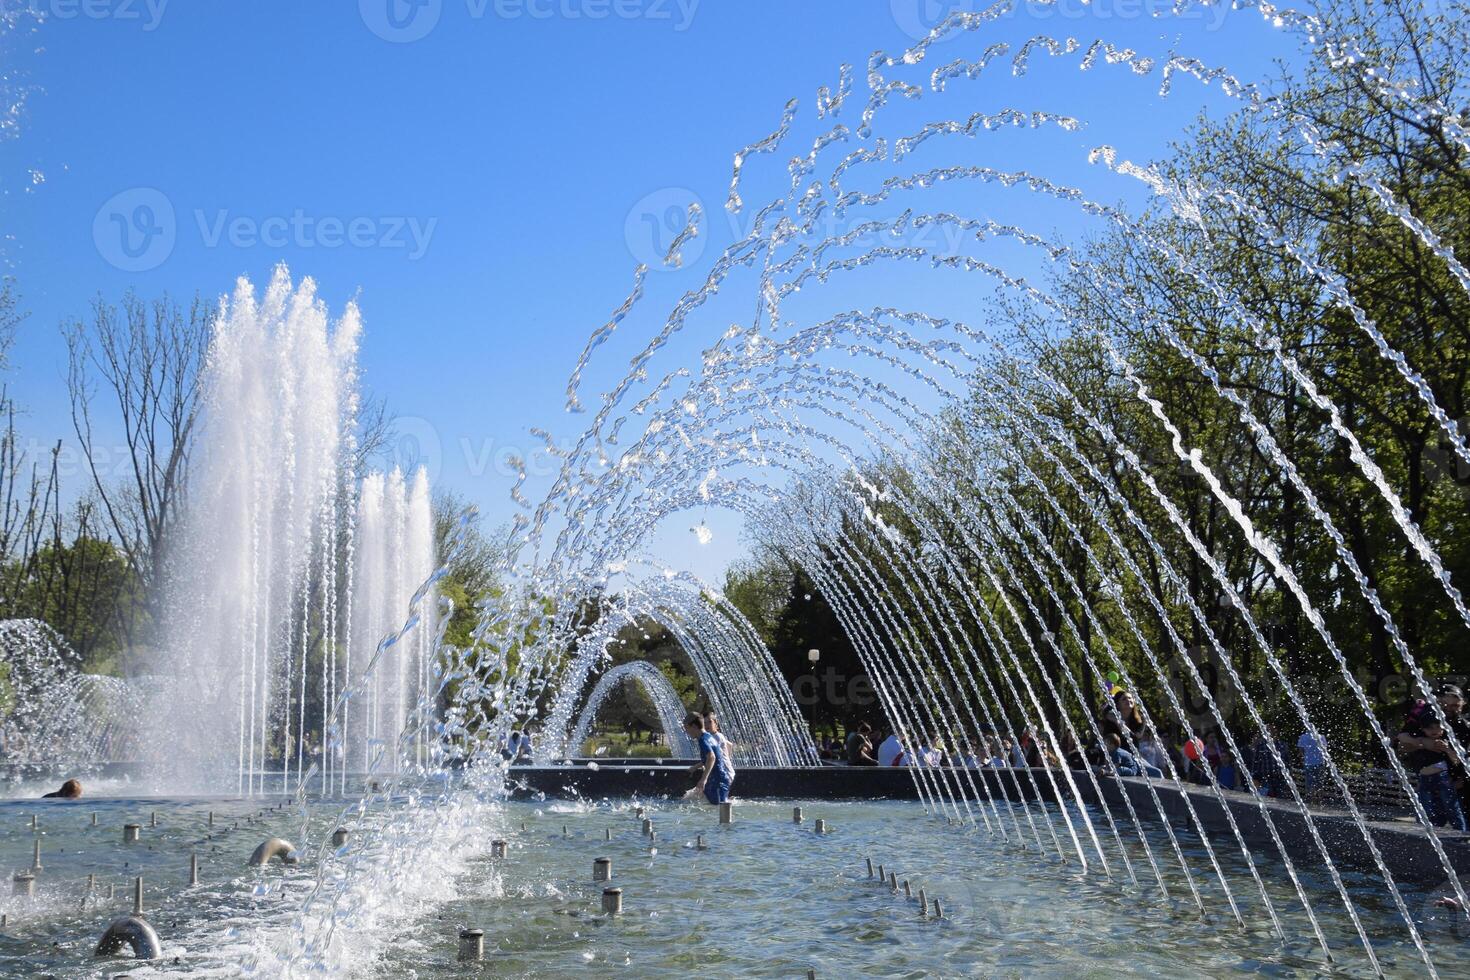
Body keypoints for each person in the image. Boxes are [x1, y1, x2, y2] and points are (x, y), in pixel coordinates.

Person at [1398, 685, 1468, 832]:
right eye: (1445, 705)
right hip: (1429, 786)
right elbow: (1401, 745)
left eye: (1455, 705)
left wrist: (1461, 781)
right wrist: (1423, 743)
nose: (1449, 708)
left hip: (1460, 788)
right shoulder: (1426, 722)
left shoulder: (1464, 726)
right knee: (1428, 833)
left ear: (1463, 703)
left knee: (1463, 832)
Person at [684, 711, 735, 804]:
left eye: (686, 729)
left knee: (719, 808)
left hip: (718, 780)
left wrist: (703, 780)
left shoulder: (703, 740)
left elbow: (711, 757)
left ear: (694, 727)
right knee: (690, 798)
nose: (686, 732)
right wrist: (695, 768)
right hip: (717, 779)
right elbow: (709, 758)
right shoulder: (708, 736)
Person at [1297, 728, 1327, 800]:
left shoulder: (1303, 737)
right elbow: (1325, 750)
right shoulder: (1321, 737)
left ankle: (1311, 798)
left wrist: (1302, 760)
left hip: (1308, 762)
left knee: (1309, 781)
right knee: (1319, 782)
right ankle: (1320, 798)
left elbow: (1301, 751)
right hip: (1320, 762)